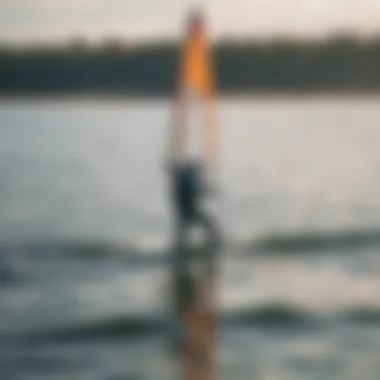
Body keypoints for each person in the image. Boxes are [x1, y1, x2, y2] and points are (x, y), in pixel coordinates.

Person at [166, 8, 221, 350]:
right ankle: (196, 251)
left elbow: (196, 185)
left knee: (194, 226)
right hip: (184, 207)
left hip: (184, 206)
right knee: (199, 225)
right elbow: (186, 184)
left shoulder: (186, 173)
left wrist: (209, 182)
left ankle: (186, 251)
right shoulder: (183, 173)